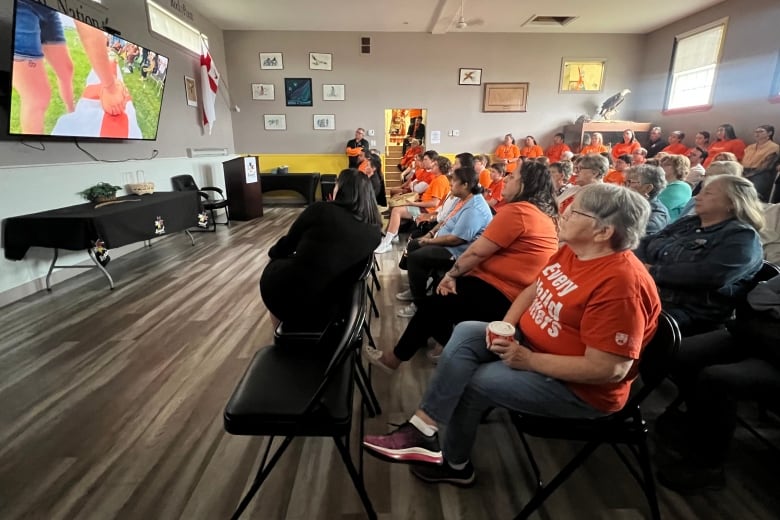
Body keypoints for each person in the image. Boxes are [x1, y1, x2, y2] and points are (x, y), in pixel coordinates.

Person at [362, 184, 661, 486]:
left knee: (472, 381)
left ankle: (455, 466)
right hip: (534, 347)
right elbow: (535, 288)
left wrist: (528, 360)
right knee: (467, 331)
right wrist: (505, 328)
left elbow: (608, 370)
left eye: (575, 210)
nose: (563, 211)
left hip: (577, 389)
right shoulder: (574, 252)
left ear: (603, 232)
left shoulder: (622, 286)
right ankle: (423, 428)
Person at [365, 161, 559, 372]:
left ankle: (421, 355)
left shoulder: (520, 212)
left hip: (505, 292)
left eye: (512, 177)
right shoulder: (538, 213)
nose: (505, 180)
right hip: (504, 286)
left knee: (433, 305)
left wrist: (452, 275)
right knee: (434, 304)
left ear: (525, 185)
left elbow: (477, 251)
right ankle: (446, 347)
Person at [655, 275, 780, 494]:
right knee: (680, 353)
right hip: (755, 334)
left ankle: (708, 466)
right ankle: (695, 422)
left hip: (775, 355)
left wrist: (772, 309)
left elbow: (761, 301)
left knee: (718, 379)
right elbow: (758, 294)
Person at [635, 175, 764, 335]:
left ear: (732, 202)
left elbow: (710, 275)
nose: (698, 197)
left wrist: (651, 272)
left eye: (708, 193)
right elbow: (645, 242)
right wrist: (639, 266)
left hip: (690, 313)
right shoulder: (688, 223)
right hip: (650, 294)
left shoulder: (742, 237)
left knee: (621, 319)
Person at [259, 168, 382, 327]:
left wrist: (274, 255)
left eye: (336, 184)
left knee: (274, 269)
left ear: (342, 189)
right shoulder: (375, 233)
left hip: (299, 295)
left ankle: (282, 338)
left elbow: (286, 246)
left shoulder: (321, 210)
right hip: (337, 304)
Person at [395, 167, 493, 317]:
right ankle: (417, 286)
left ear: (465, 185)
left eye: (454, 181)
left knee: (417, 257)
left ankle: (419, 304)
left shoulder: (475, 207)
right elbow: (445, 220)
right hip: (446, 242)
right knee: (414, 244)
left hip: (457, 251)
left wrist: (428, 242)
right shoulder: (461, 199)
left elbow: (456, 239)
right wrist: (430, 234)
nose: (450, 185)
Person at [12, 0, 75, 134]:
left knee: (66, 70)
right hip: (20, 6)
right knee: (37, 98)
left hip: (49, 9)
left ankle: (72, 115)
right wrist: (109, 85)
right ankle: (34, 152)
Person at [375, 156, 451, 254]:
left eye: (435, 164)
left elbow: (434, 203)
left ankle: (387, 242)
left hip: (427, 211)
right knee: (397, 208)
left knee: (397, 211)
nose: (432, 165)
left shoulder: (440, 180)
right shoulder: (438, 178)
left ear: (441, 167)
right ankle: (393, 235)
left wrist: (413, 203)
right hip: (423, 206)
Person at [624, 164, 669, 235]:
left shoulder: (656, 217)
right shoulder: (627, 203)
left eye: (629, 182)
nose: (624, 187)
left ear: (647, 188)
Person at [742, 125, 779, 201]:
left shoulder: (774, 147)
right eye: (756, 131)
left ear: (770, 133)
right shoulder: (750, 147)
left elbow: (767, 166)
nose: (757, 134)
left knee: (751, 192)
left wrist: (748, 175)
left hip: (761, 173)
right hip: (744, 171)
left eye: (761, 131)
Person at [657, 154, 692, 221]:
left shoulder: (682, 187)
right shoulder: (659, 183)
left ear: (678, 168)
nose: (661, 166)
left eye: (667, 164)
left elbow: (659, 206)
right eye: (661, 164)